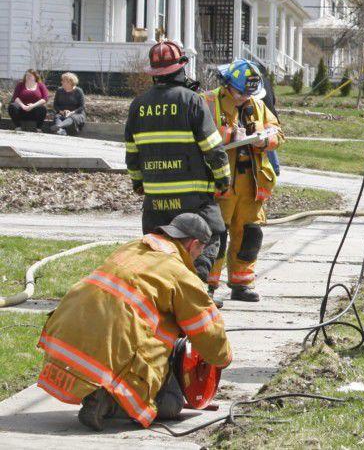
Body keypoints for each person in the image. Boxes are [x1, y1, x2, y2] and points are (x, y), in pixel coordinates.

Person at [36, 213, 232, 431]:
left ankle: (96, 392)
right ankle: (108, 401)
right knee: (171, 403)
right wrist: (223, 358)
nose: (199, 256)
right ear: (193, 244)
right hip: (113, 344)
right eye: (200, 250)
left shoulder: (132, 247)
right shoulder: (180, 273)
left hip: (65, 335)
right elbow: (206, 329)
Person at [126, 40, 230, 289]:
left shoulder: (138, 106)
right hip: (193, 198)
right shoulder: (192, 101)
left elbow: (132, 151)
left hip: (156, 199)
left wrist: (138, 182)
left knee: (159, 248)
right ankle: (194, 290)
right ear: (181, 67)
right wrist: (223, 179)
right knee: (210, 236)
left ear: (154, 73)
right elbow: (213, 148)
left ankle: (162, 295)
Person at [202, 59, 283, 303]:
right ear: (227, 85)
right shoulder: (208, 102)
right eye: (240, 93)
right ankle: (207, 285)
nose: (244, 98)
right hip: (221, 182)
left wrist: (263, 139)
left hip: (252, 183)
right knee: (216, 235)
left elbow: (278, 132)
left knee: (250, 234)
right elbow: (199, 134)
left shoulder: (257, 104)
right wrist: (230, 135)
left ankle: (242, 283)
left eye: (248, 94)